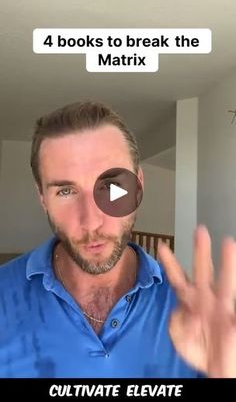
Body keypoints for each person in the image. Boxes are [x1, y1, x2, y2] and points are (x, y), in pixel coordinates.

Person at [0, 101, 235, 378]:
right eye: (66, 191)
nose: (92, 221)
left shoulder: (198, 317)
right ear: (42, 198)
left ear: (138, 186)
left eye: (111, 187)